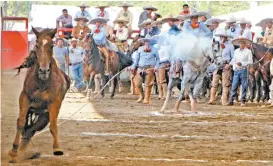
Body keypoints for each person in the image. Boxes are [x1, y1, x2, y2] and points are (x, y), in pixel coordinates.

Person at [207, 30, 234, 105]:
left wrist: (229, 64)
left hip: (226, 65)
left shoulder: (230, 45)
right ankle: (212, 99)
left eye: (223, 36)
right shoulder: (216, 45)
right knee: (214, 83)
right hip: (218, 65)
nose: (222, 38)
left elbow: (234, 57)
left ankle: (224, 100)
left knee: (225, 84)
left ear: (226, 37)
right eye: (221, 36)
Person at [132, 35, 160, 104]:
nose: (147, 42)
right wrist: (133, 66)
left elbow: (158, 59)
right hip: (140, 68)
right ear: (144, 42)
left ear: (150, 42)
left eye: (148, 41)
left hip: (149, 68)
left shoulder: (154, 49)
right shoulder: (140, 49)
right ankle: (141, 96)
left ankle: (147, 99)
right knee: (137, 83)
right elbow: (137, 59)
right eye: (145, 41)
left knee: (148, 84)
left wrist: (156, 67)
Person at [226, 38, 253, 106]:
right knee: (234, 85)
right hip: (237, 70)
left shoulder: (248, 51)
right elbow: (234, 59)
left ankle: (242, 101)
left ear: (245, 44)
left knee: (244, 85)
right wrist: (229, 64)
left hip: (244, 69)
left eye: (243, 43)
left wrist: (242, 63)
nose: (241, 44)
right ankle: (231, 100)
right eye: (240, 43)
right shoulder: (236, 51)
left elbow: (250, 61)